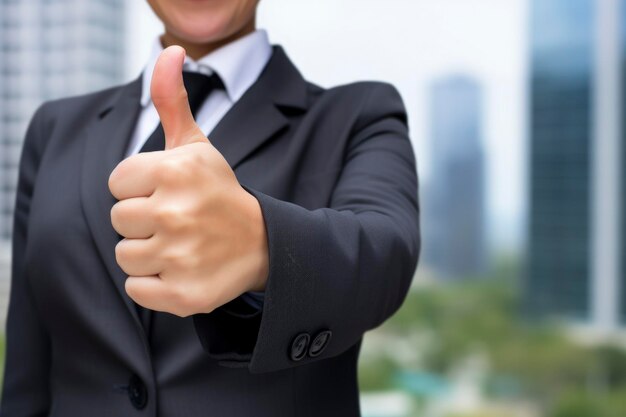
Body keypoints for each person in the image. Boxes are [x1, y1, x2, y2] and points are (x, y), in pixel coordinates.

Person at [0, 0, 420, 416]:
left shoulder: (359, 114)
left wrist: (262, 245)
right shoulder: (54, 128)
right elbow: (27, 369)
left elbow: (385, 253)